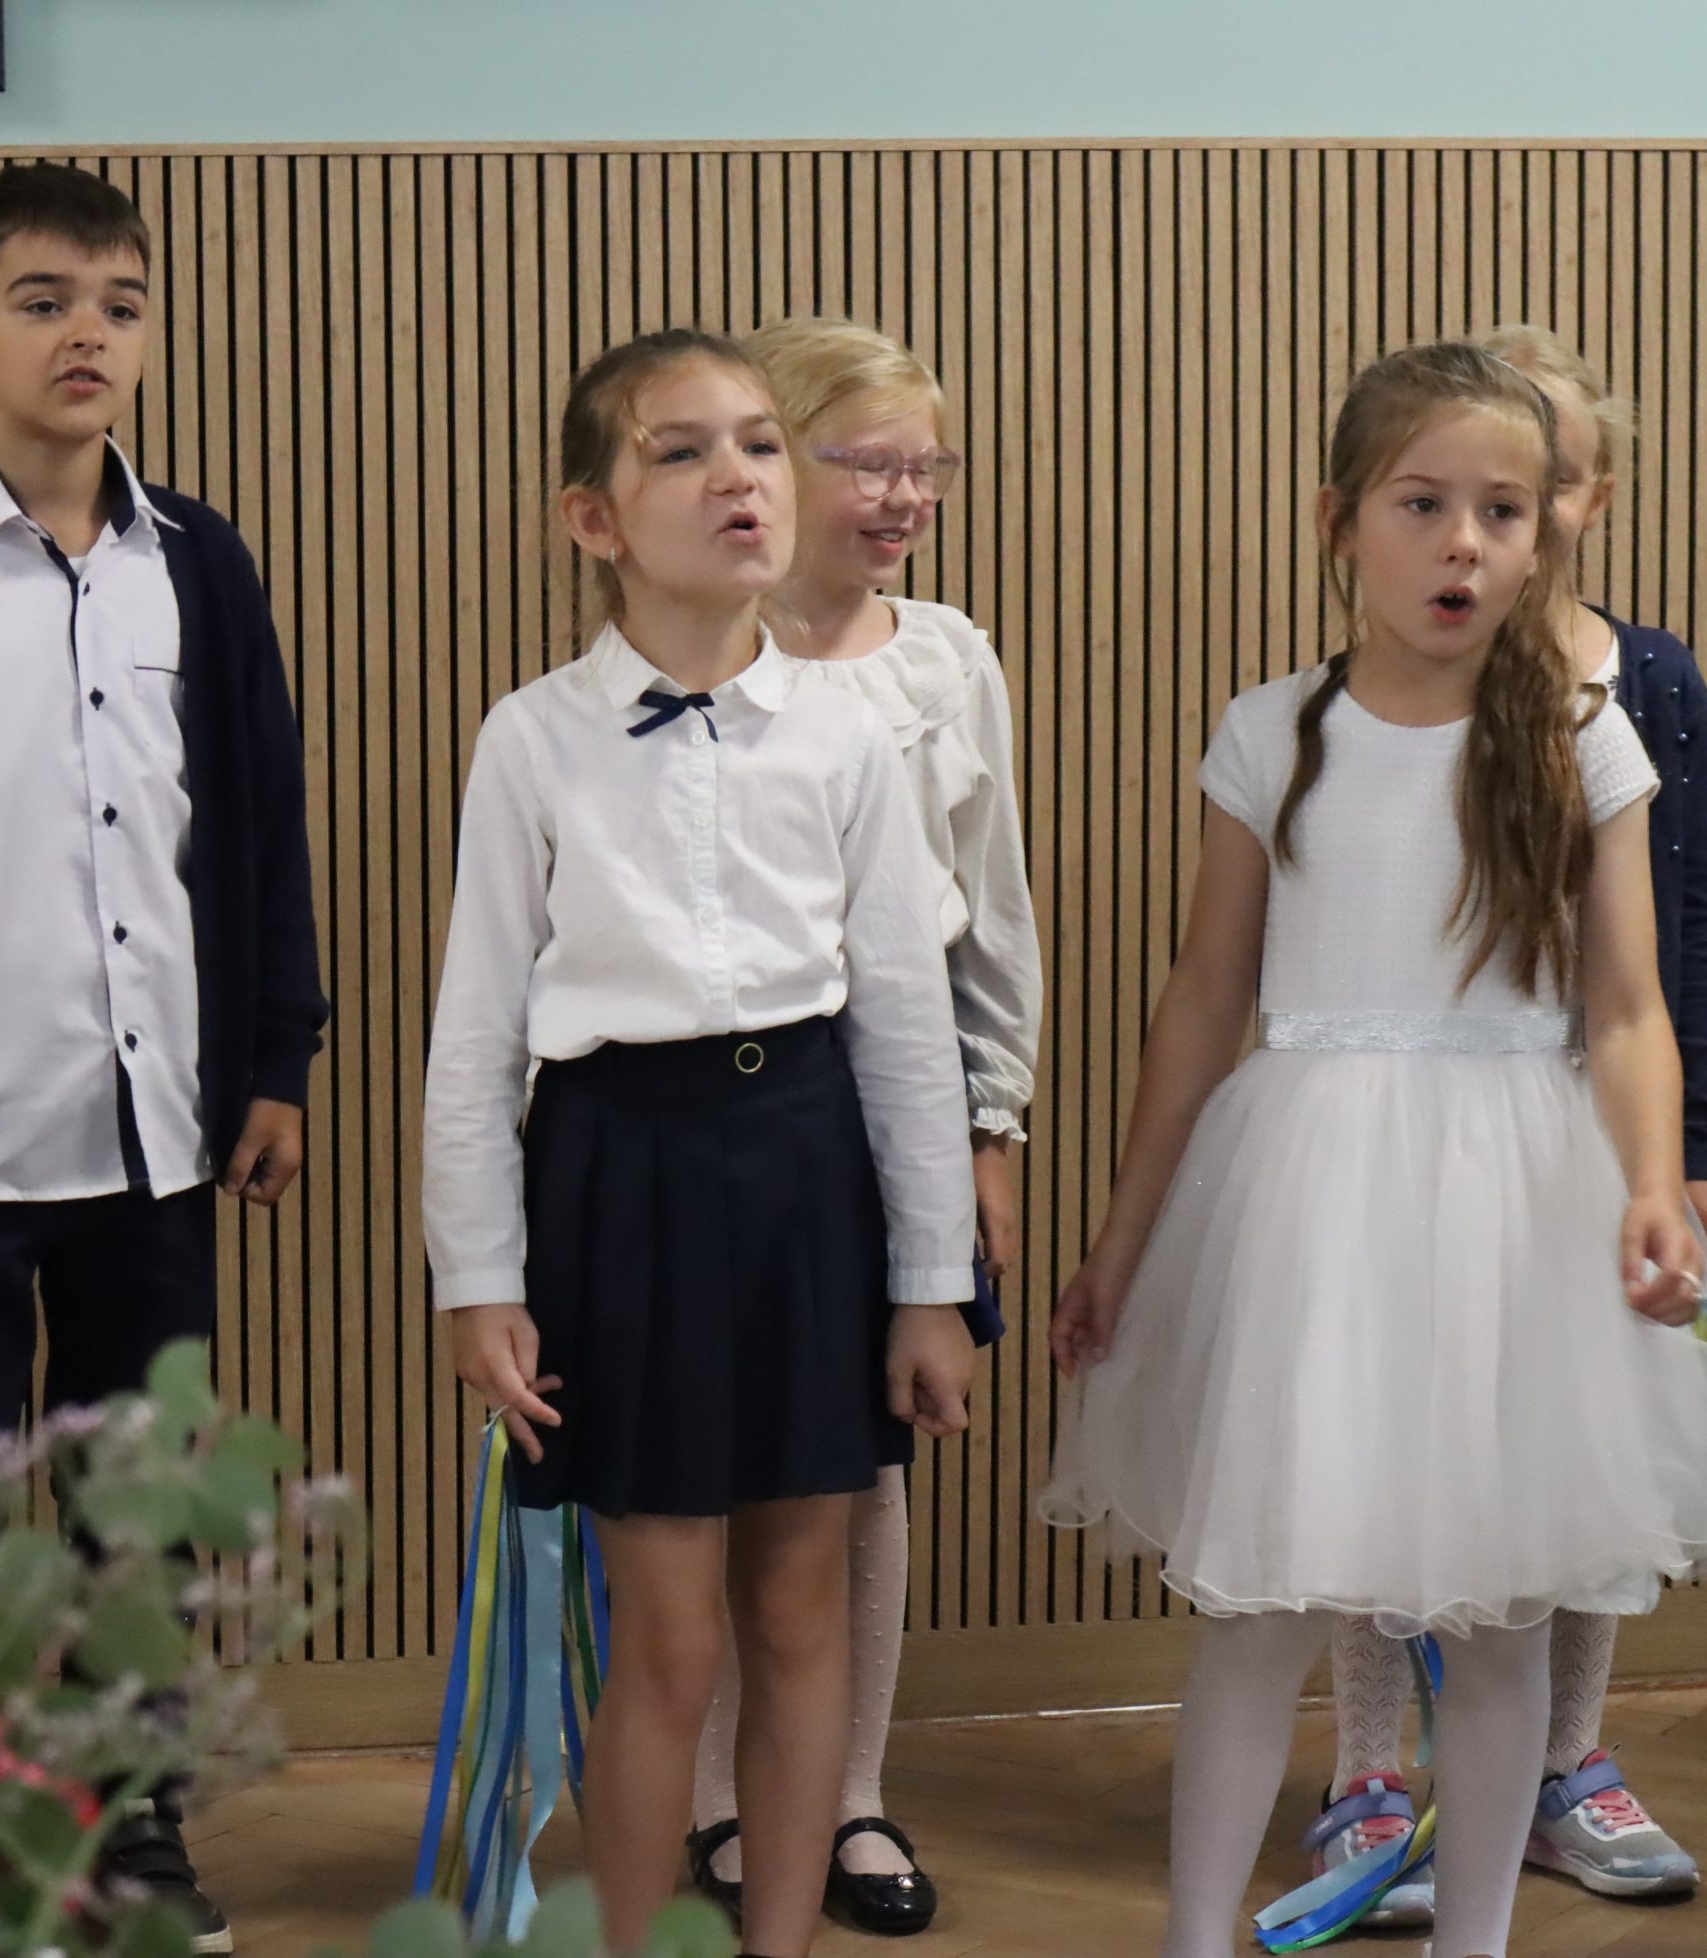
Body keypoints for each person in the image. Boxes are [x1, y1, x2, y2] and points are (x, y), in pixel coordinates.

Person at [1037, 341, 1707, 1958]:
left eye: (1504, 510)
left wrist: (1651, 1182)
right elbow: (1204, 997)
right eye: (1424, 504)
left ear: (1548, 533)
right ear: (1341, 521)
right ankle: (1196, 1935)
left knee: (1501, 1614)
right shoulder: (1274, 731)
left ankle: (1473, 1939)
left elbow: (1626, 1004)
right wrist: (1124, 1238)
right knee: (1265, 1601)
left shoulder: (1585, 735)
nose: (1464, 542)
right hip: (1313, 1195)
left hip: (1516, 1192)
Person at [0, 161, 327, 1954]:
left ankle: (128, 1812)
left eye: (119, 302)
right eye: (42, 300)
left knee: (132, 1504)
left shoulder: (204, 566)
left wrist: (276, 1056)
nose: (86, 331)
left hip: (152, 1130)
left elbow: (256, 823)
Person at [424, 327, 981, 1958]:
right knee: (668, 1640)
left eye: (757, 443)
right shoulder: (533, 737)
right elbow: (476, 1034)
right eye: (682, 450)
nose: (737, 476)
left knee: (802, 1616)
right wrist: (479, 1275)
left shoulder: (851, 733)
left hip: (806, 1169)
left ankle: (780, 1940)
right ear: (592, 518)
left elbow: (904, 1022)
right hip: (624, 1174)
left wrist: (931, 1283)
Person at [1315, 322, 1707, 1926]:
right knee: (1382, 1453)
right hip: (1411, 1133)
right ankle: (1369, 1773)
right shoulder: (1376, 690)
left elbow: (1687, 932)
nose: (1493, 521)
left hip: (1588, 1132)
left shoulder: (1650, 683)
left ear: (1584, 498)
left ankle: (1564, 1760)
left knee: (1574, 1457)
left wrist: (1692, 1151)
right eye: (1455, 487)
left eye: (1537, 483)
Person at [687, 316, 1041, 1938]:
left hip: (899, 1099)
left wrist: (991, 1122)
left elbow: (993, 912)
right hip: (723, 1098)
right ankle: (719, 1797)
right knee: (711, 1456)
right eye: (869, 462)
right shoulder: (699, 642)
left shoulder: (948, 660)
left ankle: (849, 1792)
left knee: (864, 1457)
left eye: (927, 467)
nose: (904, 496)